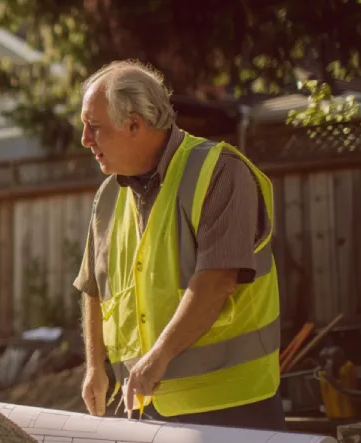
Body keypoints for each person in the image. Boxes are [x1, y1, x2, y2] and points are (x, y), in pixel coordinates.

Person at [72, 60, 286, 431]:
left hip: (231, 405)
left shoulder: (220, 172)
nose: (85, 140)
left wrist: (158, 357)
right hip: (145, 405)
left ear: (134, 124)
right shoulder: (108, 196)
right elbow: (93, 288)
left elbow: (217, 280)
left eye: (94, 128)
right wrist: (95, 367)